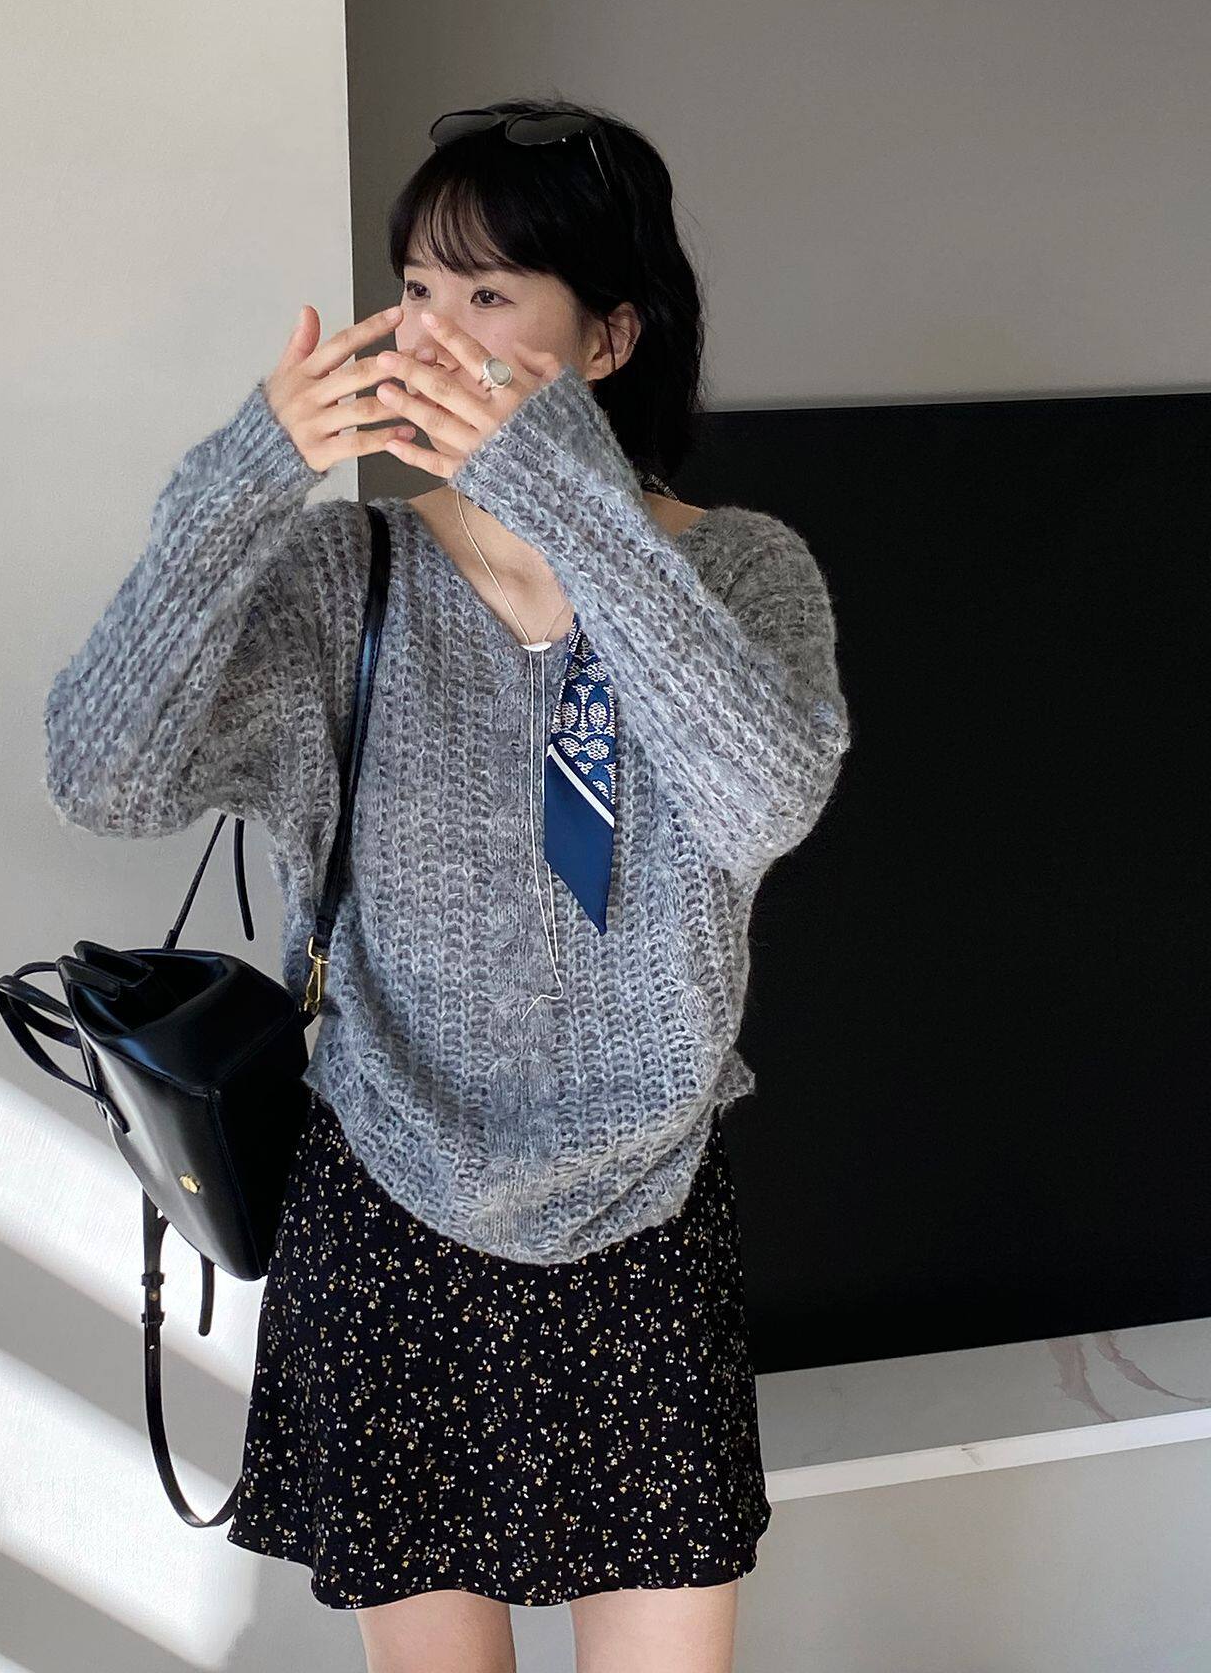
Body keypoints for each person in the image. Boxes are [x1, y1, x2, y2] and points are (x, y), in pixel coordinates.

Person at [43, 96, 853, 1673]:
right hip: (388, 1207)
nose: (428, 330)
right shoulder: (345, 578)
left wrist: (575, 514)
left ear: (607, 339)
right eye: (417, 286)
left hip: (646, 1218)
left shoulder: (742, 569)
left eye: (488, 293)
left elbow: (763, 800)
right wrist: (246, 476)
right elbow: (103, 776)